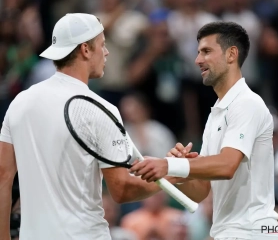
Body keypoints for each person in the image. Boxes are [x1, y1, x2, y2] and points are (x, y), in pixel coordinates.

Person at [0, 13, 182, 240]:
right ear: (86, 49)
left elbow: (3, 177)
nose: (106, 52)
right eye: (102, 45)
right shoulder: (101, 109)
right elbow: (122, 189)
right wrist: (172, 175)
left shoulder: (19, 102)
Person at [130, 21, 278, 240]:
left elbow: (227, 165)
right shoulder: (216, 114)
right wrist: (182, 172)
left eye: (206, 51)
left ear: (231, 54)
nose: (197, 60)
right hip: (227, 232)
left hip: (252, 232)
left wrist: (170, 164)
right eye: (198, 52)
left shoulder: (247, 103)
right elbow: (202, 192)